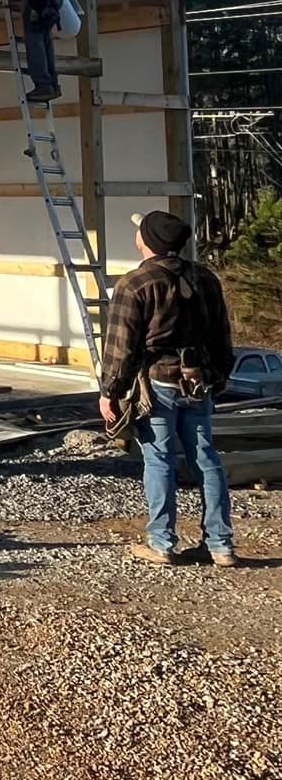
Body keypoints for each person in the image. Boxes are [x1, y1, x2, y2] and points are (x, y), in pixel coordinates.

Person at [99, 209, 236, 568]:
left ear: (146, 241)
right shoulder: (205, 278)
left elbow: (121, 346)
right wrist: (219, 376)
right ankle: (220, 545)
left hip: (158, 382)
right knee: (206, 460)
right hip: (199, 381)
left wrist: (109, 391)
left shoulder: (135, 284)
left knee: (158, 459)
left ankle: (162, 543)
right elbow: (222, 335)